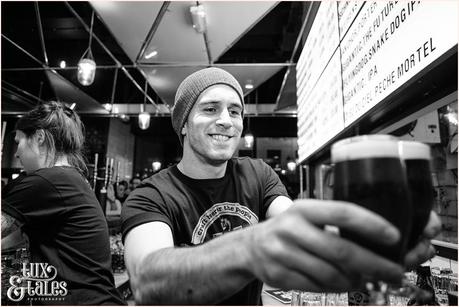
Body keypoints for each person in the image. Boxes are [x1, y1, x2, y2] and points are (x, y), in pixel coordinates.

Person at [121, 68, 441, 305]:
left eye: (235, 111)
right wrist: (251, 248)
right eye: (209, 109)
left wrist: (358, 241)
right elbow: (148, 281)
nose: (226, 120)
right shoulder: (151, 195)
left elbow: (294, 223)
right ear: (182, 125)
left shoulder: (256, 173)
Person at [1, 101, 126, 305]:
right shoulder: (71, 178)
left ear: (40, 137)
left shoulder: (45, 181)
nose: (16, 153)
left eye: (18, 142)